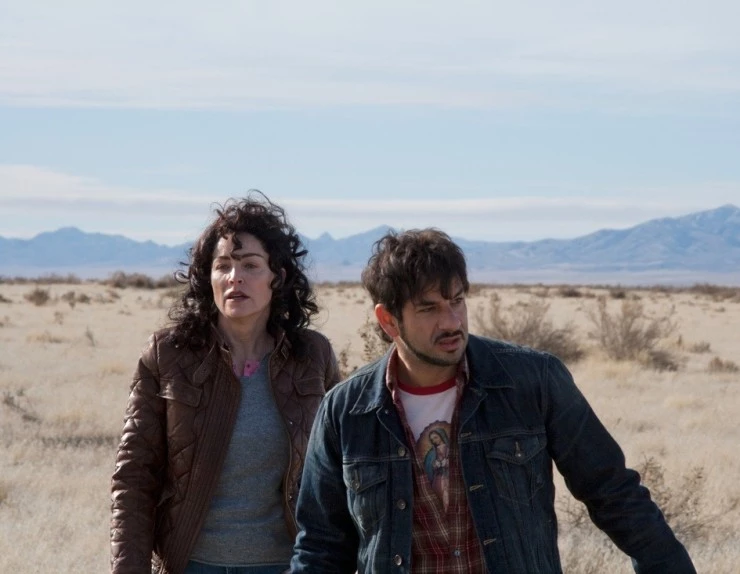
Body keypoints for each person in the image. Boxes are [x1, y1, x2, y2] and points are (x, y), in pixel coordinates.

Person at [291, 228, 696, 573]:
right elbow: (322, 546)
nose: (451, 321)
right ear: (388, 320)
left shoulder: (532, 381)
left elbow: (613, 492)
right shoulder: (346, 411)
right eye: (429, 308)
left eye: (457, 300)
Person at [110, 193, 339, 574]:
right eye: (223, 266)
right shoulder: (169, 355)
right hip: (193, 564)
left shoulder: (312, 356)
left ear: (278, 276)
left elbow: (339, 475)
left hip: (288, 564)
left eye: (250, 265)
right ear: (209, 277)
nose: (235, 277)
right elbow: (134, 477)